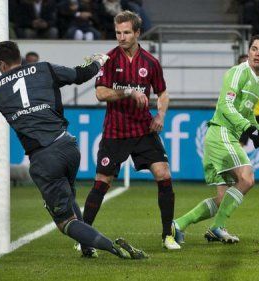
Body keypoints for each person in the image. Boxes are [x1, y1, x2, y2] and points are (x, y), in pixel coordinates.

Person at [0, 41, 148, 260]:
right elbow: (80, 75)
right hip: (68, 146)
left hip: (44, 157)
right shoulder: (44, 68)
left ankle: (113, 247)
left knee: (65, 222)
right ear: (20, 58)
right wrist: (97, 63)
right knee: (68, 193)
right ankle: (88, 248)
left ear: (1, 65)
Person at [81, 10, 180, 251]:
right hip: (115, 132)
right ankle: (83, 237)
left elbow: (163, 92)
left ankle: (168, 235)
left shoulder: (150, 63)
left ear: (137, 33)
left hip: (143, 130)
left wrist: (161, 115)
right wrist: (128, 92)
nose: (122, 37)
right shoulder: (109, 59)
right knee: (102, 182)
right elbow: (100, 93)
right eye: (118, 32)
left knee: (164, 174)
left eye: (126, 32)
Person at [172, 34, 259, 244]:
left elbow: (249, 115)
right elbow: (225, 106)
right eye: (254, 49)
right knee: (247, 178)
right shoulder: (238, 72)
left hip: (224, 136)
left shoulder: (257, 82)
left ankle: (178, 224)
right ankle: (216, 228)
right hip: (222, 133)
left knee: (222, 200)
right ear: (248, 51)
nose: (257, 54)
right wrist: (249, 129)